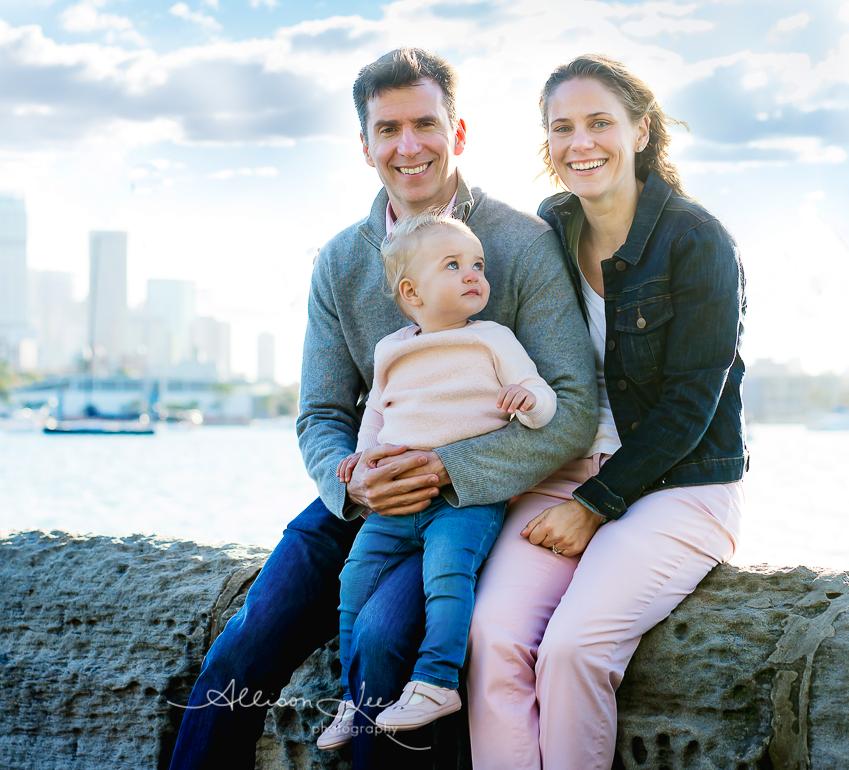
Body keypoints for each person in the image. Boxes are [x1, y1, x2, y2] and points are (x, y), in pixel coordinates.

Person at [167, 47, 597, 769]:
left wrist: (444, 470)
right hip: (360, 494)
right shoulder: (341, 261)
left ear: (457, 133)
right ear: (364, 146)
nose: (409, 146)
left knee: (378, 637)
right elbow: (320, 413)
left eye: (425, 124)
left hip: (464, 501)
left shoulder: (520, 245)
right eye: (388, 130)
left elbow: (574, 408)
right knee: (240, 649)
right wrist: (347, 478)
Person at [465, 53, 747, 770]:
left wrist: (595, 504)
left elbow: (691, 403)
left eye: (600, 123)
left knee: (574, 648)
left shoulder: (697, 240)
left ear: (642, 131)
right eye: (562, 128)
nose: (580, 143)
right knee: (492, 638)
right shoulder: (549, 232)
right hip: (561, 474)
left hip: (677, 485)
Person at [317, 213, 558, 751]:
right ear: (411, 291)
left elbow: (543, 398)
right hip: (396, 498)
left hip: (465, 499)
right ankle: (353, 696)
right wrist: (360, 463)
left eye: (477, 264)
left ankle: (437, 680)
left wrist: (530, 402)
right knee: (354, 578)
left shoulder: (493, 339)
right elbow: (376, 415)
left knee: (448, 577)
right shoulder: (392, 349)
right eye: (453, 265)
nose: (472, 273)